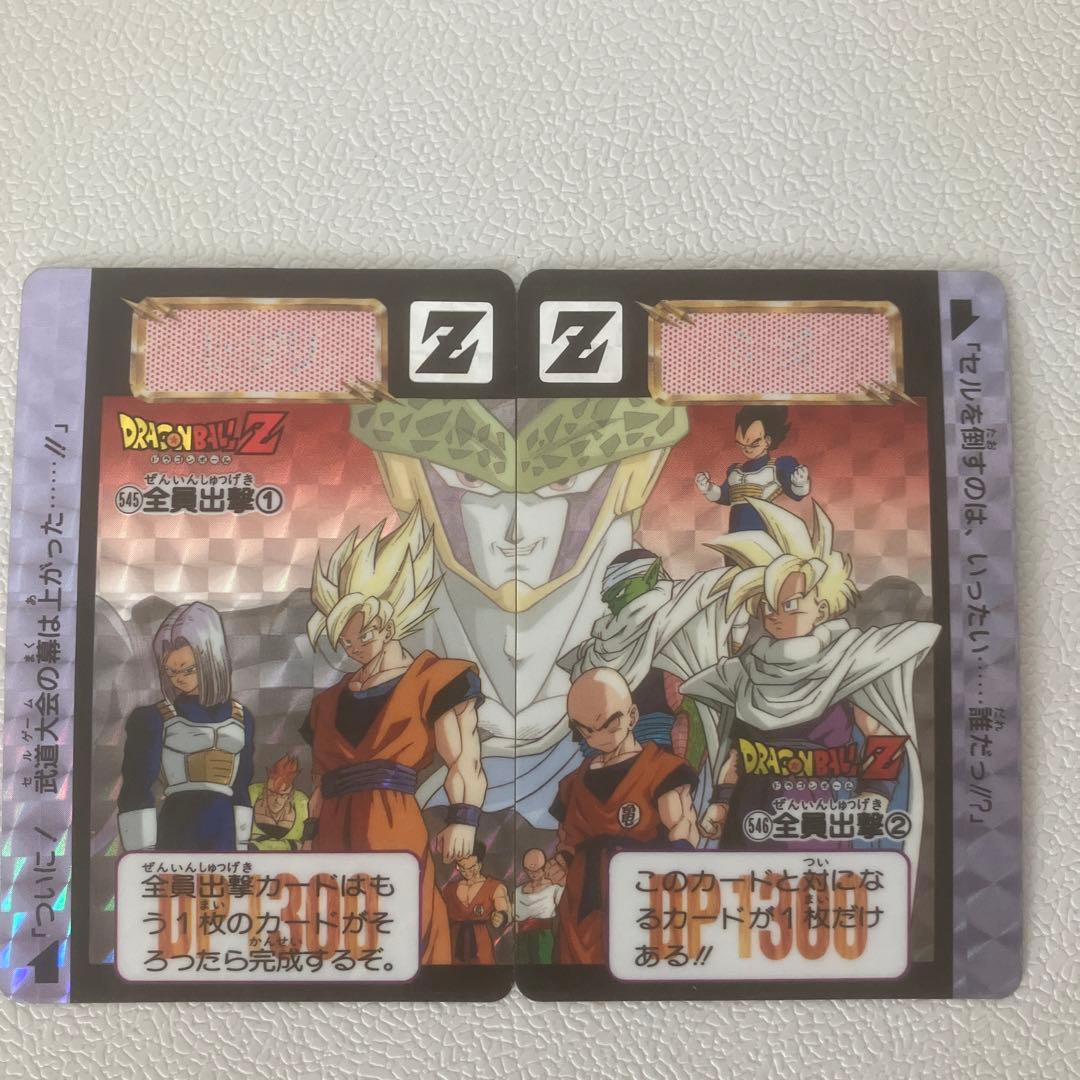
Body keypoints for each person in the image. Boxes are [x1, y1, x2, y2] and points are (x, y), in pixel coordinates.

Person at [683, 498, 937, 874]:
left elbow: (880, 733)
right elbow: (736, 752)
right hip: (750, 814)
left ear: (822, 606)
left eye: (790, 604)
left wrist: (875, 793)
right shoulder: (745, 672)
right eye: (768, 605)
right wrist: (720, 802)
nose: (775, 615)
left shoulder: (845, 661)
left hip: (816, 815)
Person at [301, 507, 488, 966]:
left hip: (392, 824)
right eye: (345, 642)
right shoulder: (327, 703)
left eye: (360, 638)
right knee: (337, 935)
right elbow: (321, 782)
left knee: (403, 926)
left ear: (386, 623)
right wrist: (308, 836)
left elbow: (463, 758)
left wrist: (464, 817)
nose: (352, 649)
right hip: (332, 834)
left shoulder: (435, 679)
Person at [547, 668, 699, 965]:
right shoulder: (573, 784)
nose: (598, 737)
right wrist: (562, 861)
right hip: (582, 908)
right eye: (586, 730)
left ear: (632, 716)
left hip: (643, 898)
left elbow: (682, 833)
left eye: (609, 724)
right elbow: (569, 840)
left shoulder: (662, 770)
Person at [117, 602, 254, 852]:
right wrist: (141, 854)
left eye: (187, 669)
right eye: (170, 671)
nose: (178, 678)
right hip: (178, 829)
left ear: (211, 659)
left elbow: (242, 786)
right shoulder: (151, 718)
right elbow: (136, 789)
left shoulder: (242, 717)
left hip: (225, 831)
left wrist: (243, 844)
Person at [694, 405, 810, 532]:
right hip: (735, 535)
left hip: (762, 533)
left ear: (767, 441)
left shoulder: (779, 466)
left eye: (754, 444)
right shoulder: (734, 471)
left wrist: (800, 483)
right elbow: (724, 496)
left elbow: (796, 494)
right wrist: (708, 488)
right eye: (742, 445)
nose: (747, 449)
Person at [441, 843, 509, 965]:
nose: (466, 872)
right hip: (454, 943)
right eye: (462, 867)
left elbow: (504, 910)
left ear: (479, 865)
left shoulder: (494, 887)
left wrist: (501, 917)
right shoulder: (449, 889)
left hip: (480, 943)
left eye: (471, 868)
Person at [249, 753, 309, 851]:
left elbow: (306, 845)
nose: (276, 799)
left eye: (282, 795)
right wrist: (291, 845)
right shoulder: (252, 793)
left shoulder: (301, 802)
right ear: (265, 787)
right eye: (271, 792)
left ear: (291, 792)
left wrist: (258, 843)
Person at [513, 848, 563, 965]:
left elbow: (566, 910)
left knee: (543, 964)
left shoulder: (554, 889)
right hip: (522, 938)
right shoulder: (518, 891)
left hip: (543, 936)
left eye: (537, 870)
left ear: (544, 867)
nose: (533, 873)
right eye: (529, 870)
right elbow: (514, 917)